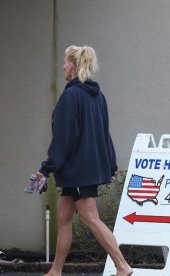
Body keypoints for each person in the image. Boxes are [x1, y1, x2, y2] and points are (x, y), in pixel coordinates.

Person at [35, 45, 132, 276]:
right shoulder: (98, 95)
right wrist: (109, 163)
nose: (63, 66)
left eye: (66, 62)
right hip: (82, 168)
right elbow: (104, 132)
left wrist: (46, 168)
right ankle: (56, 270)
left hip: (78, 168)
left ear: (75, 65)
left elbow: (63, 139)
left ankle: (122, 265)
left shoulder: (71, 96)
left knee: (90, 217)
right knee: (64, 217)